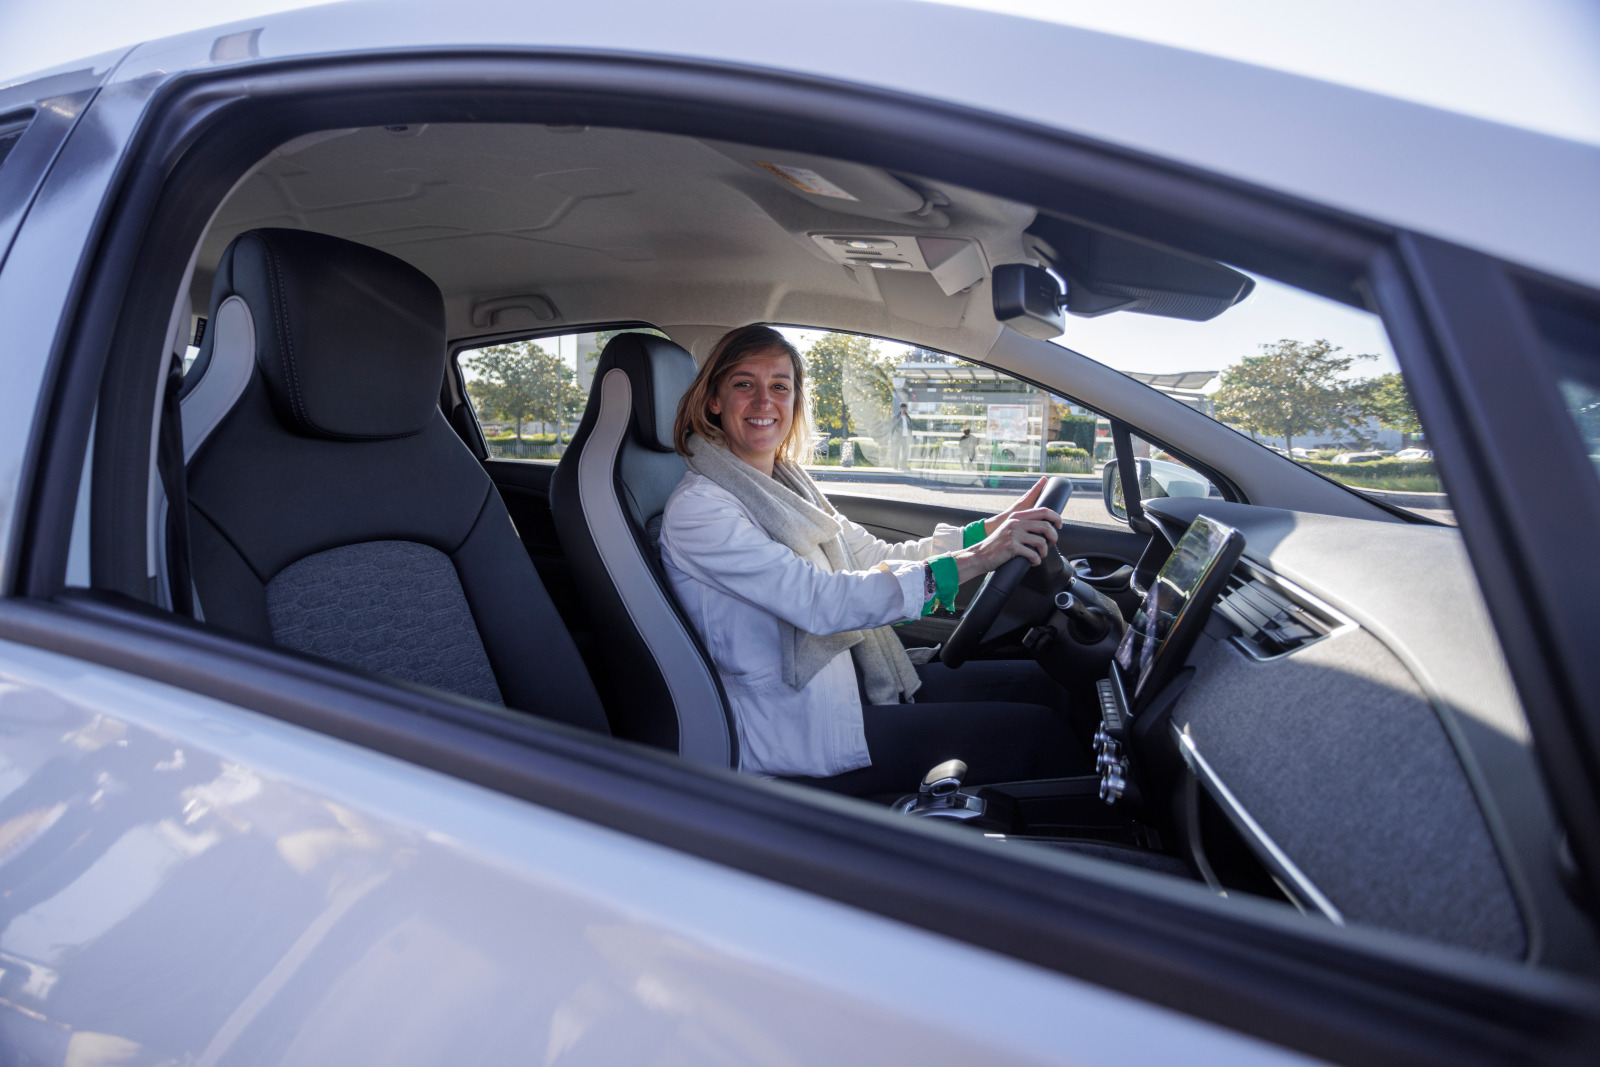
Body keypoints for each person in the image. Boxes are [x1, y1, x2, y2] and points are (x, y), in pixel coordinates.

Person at [659, 325, 1089, 794]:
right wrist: (981, 558)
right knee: (1036, 735)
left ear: (795, 401)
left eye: (779, 386)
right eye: (744, 384)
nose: (765, 402)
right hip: (799, 732)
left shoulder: (785, 486)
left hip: (851, 686)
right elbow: (821, 602)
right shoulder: (701, 508)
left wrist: (988, 531)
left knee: (1048, 686)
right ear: (715, 401)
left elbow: (879, 558)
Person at [888, 401, 913, 470]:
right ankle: (895, 465)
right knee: (896, 452)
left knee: (905, 452)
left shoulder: (908, 418)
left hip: (906, 437)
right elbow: (892, 426)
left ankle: (904, 465)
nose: (904, 410)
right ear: (900, 409)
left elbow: (910, 427)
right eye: (902, 408)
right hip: (898, 437)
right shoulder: (896, 417)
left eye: (905, 408)